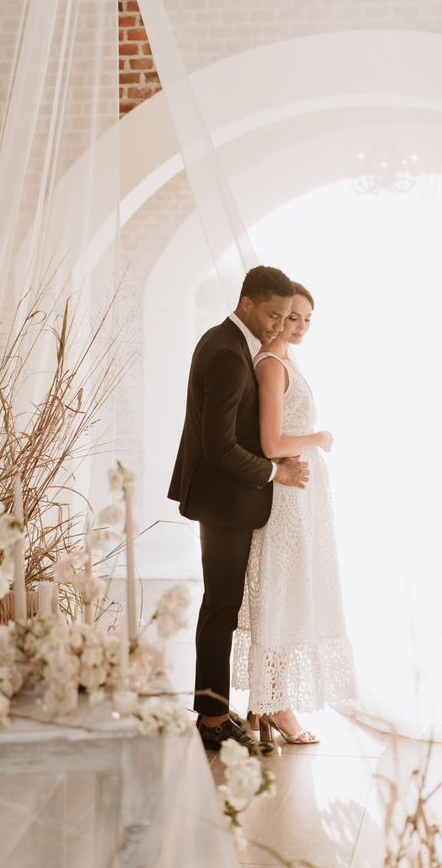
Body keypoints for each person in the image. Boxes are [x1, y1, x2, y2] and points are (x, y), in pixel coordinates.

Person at [168, 265, 309, 754]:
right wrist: (276, 473)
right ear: (246, 302)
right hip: (224, 499)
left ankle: (221, 710)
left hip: (228, 498)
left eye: (286, 317)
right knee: (220, 606)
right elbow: (219, 447)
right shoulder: (228, 353)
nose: (277, 324)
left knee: (223, 605)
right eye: (272, 314)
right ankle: (212, 717)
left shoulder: (230, 342)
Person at [233, 282, 357, 745]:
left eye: (307, 318)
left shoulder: (287, 359)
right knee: (283, 596)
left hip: (304, 493)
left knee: (292, 593)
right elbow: (272, 444)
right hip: (286, 494)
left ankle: (263, 704)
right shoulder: (270, 364)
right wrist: (319, 439)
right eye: (291, 317)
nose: (299, 326)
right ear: (276, 316)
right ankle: (277, 705)